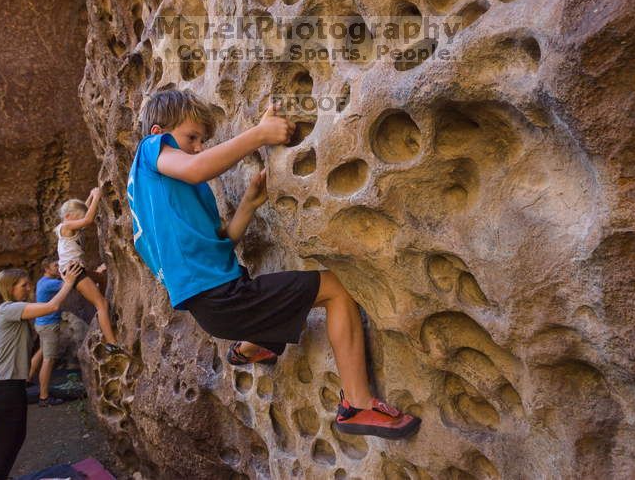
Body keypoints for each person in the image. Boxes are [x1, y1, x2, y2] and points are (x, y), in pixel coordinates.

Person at [126, 89, 420, 439]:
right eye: (192, 137)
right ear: (158, 133)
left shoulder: (167, 196)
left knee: (264, 300)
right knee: (336, 289)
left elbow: (222, 243)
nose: (198, 148)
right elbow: (195, 168)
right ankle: (357, 405)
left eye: (202, 141)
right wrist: (260, 134)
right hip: (221, 298)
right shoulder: (149, 152)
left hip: (217, 304)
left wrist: (249, 204)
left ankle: (252, 344)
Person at [0, 262, 82, 480]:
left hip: (11, 388)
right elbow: (52, 307)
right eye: (24, 285)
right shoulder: (9, 309)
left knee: (15, 440)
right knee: (3, 448)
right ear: (10, 288)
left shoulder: (14, 310)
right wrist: (69, 281)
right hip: (4, 390)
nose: (29, 288)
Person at [56, 188, 122, 354]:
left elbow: (82, 214)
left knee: (100, 277)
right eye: (76, 218)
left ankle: (103, 314)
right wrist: (97, 197)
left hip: (77, 269)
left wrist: (90, 196)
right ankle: (112, 342)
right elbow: (87, 219)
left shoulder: (68, 223)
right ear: (69, 217)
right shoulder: (65, 226)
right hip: (74, 271)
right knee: (102, 303)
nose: (80, 222)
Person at [27, 256, 65, 407]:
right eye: (55, 266)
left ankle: (27, 379)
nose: (58, 267)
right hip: (49, 326)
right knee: (49, 360)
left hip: (41, 324)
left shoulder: (41, 281)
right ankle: (44, 397)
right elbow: (71, 284)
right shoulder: (51, 284)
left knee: (42, 351)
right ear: (47, 269)